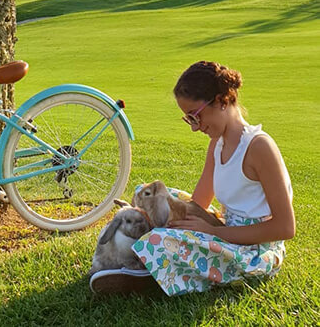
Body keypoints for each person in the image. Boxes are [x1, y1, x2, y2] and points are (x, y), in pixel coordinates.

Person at [90, 61, 294, 296]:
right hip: (224, 229)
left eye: (195, 116)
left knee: (160, 241)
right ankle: (145, 257)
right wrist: (167, 213)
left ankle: (143, 272)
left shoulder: (259, 147)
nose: (195, 128)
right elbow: (198, 204)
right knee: (149, 194)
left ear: (222, 101)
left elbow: (285, 228)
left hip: (255, 250)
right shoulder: (217, 144)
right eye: (189, 119)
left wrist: (213, 232)